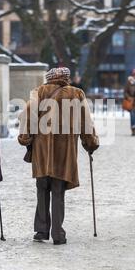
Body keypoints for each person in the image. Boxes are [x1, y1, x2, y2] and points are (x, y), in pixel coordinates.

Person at [18, 66, 99, 245]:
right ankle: (58, 234)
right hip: (64, 151)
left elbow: (27, 117)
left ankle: (41, 230)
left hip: (41, 150)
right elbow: (86, 122)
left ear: (49, 78)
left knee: (41, 189)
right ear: (67, 78)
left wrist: (25, 138)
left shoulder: (38, 92)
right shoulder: (77, 94)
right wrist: (91, 143)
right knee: (58, 190)